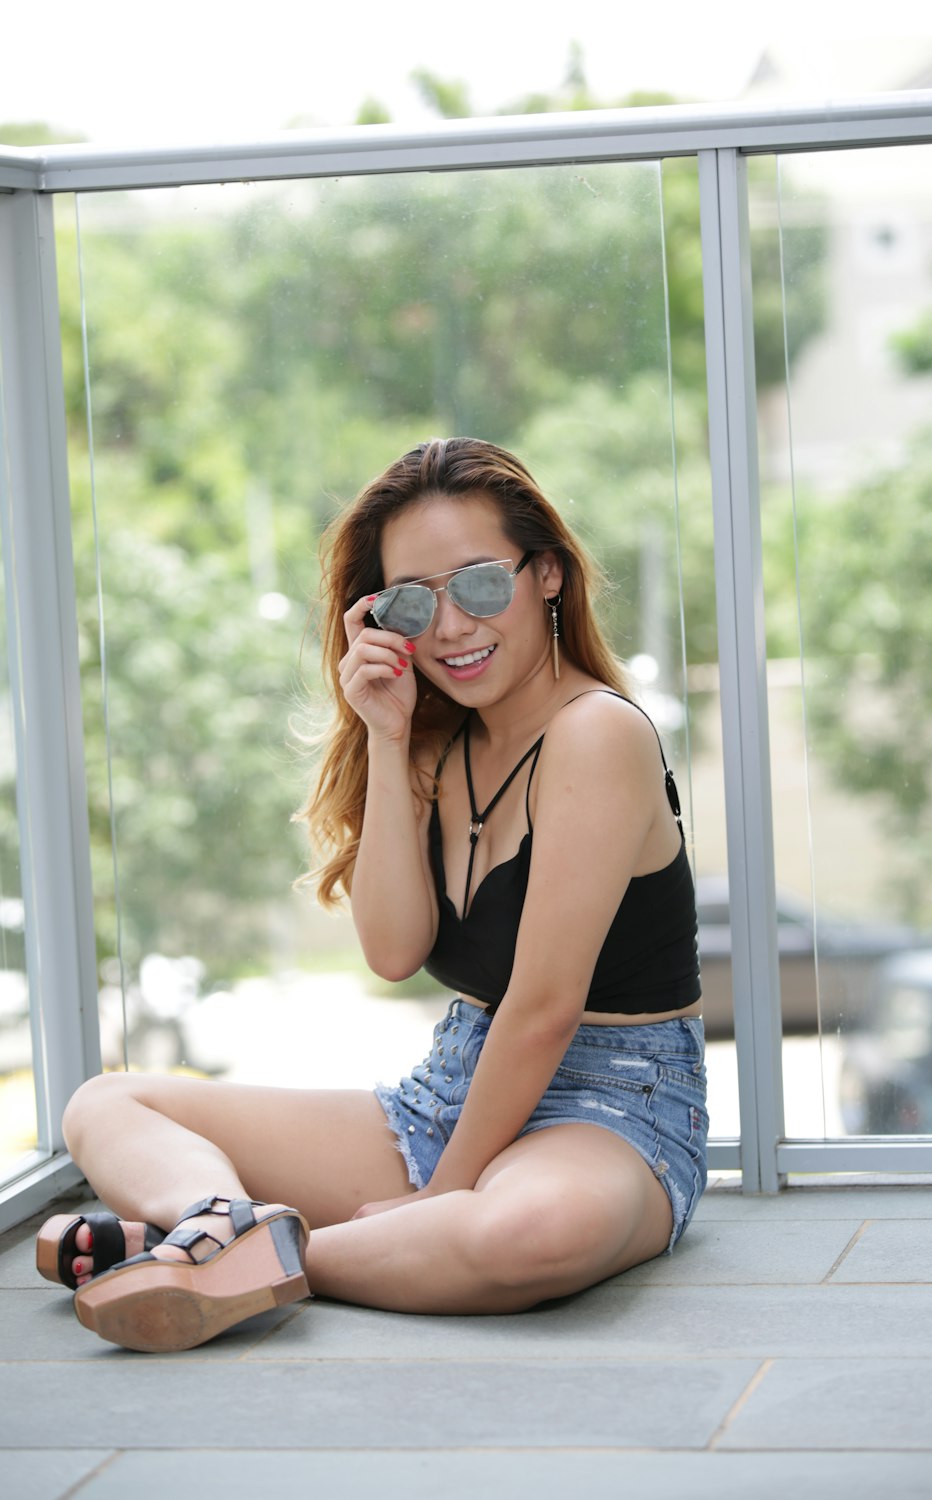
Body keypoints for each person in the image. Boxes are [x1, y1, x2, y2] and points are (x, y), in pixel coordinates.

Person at [36, 437, 707, 1352]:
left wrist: (439, 1200)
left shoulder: (599, 735)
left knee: (526, 1235)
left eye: (478, 584)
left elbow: (545, 1010)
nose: (451, 628)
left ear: (547, 574)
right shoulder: (436, 745)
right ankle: (229, 1229)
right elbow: (394, 952)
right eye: (412, 603)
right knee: (103, 1107)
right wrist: (387, 740)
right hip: (455, 1087)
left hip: (612, 1106)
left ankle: (231, 1250)